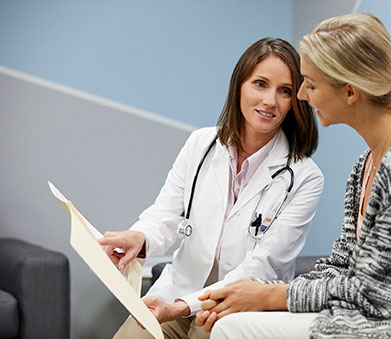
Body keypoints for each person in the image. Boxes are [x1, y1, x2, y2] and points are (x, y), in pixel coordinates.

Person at [195, 13, 391, 339]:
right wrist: (261, 293)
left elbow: (381, 297)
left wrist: (272, 296)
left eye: (310, 84)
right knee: (233, 320)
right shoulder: (364, 166)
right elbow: (342, 265)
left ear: (350, 92)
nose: (301, 97)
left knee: (231, 329)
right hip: (378, 310)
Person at [98, 37, 324, 339]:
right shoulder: (200, 144)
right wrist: (139, 238)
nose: (270, 100)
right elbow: (164, 214)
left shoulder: (305, 177)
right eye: (260, 84)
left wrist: (182, 307)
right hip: (179, 290)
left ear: (296, 100)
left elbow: (261, 269)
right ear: (239, 86)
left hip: (239, 308)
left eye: (284, 91)